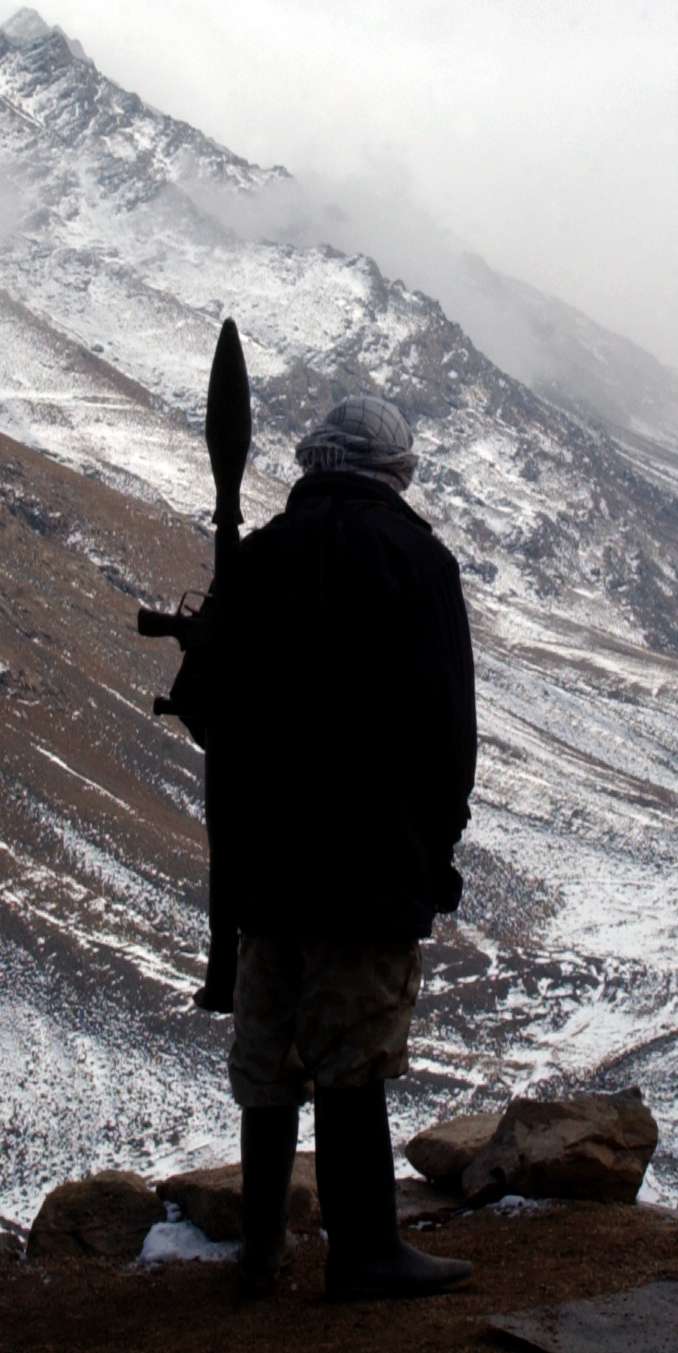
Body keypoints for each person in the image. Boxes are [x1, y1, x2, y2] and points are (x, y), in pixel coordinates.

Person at [174, 394, 478, 1302]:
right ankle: (366, 1249)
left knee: (270, 1055)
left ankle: (260, 1250)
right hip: (370, 858)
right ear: (393, 472)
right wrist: (434, 845)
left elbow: (202, 702)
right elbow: (446, 730)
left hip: (265, 864)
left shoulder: (258, 555)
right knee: (354, 1054)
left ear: (314, 463)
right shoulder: (417, 560)